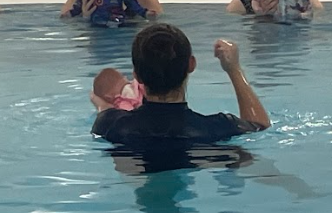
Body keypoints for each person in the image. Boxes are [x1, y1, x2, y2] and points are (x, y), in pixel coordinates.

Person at [91, 23, 270, 143]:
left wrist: (101, 105)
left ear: (137, 75)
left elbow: (106, 114)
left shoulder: (110, 125)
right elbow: (261, 127)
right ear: (191, 64)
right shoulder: (218, 128)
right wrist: (234, 70)